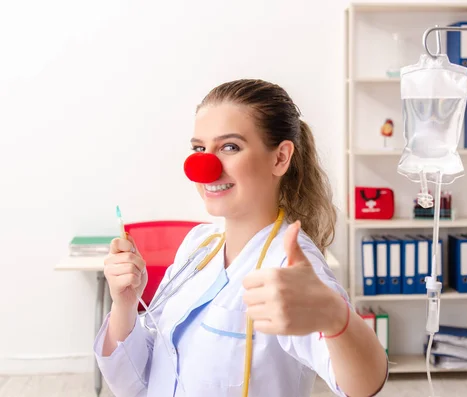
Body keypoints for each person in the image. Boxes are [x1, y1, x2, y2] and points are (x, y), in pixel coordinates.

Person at [94, 79, 389, 397]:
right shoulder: (198, 243)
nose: (204, 166)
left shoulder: (290, 265)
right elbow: (141, 381)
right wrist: (125, 305)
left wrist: (335, 317)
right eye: (199, 148)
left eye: (229, 147)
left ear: (280, 158)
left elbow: (363, 386)